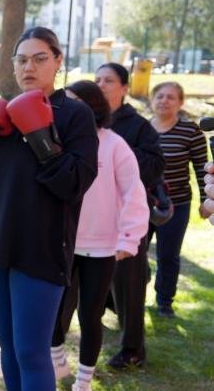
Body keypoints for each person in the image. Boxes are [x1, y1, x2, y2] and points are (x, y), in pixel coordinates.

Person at [0, 26, 99, 390]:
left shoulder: (74, 115)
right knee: (8, 348)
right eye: (21, 60)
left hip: (41, 248)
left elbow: (75, 184)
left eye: (39, 58)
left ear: (58, 62)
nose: (28, 67)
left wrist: (40, 136)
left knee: (32, 352)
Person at [49, 80, 149, 391]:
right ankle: (56, 361)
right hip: (64, 244)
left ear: (92, 107)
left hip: (103, 248)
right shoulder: (58, 140)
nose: (66, 109)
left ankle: (84, 380)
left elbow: (134, 192)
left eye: (73, 102)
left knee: (90, 314)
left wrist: (128, 238)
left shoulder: (114, 144)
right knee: (52, 308)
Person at [92, 62, 165, 369]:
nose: (101, 84)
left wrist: (116, 154)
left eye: (108, 80)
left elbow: (153, 165)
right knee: (92, 277)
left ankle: (133, 349)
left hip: (127, 218)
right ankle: (107, 308)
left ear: (124, 88)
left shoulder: (138, 127)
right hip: (89, 217)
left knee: (130, 282)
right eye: (97, 79)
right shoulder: (84, 120)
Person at [149, 81, 212, 318]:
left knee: (168, 255)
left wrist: (206, 201)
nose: (164, 101)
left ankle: (164, 302)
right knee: (133, 257)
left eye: (171, 97)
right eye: (160, 96)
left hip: (177, 204)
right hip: (141, 204)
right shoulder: (141, 129)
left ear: (180, 103)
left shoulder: (190, 131)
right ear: (152, 100)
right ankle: (129, 296)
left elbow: (202, 168)